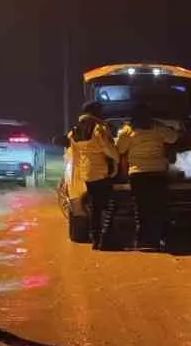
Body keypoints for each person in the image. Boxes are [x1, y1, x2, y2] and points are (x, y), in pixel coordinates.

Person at [114, 103, 178, 250]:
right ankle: (162, 239)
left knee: (141, 209)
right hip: (157, 173)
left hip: (138, 175)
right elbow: (173, 138)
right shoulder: (158, 128)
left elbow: (120, 149)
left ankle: (143, 241)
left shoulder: (127, 131)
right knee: (159, 208)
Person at [68, 100, 119, 249]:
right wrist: (116, 158)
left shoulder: (75, 130)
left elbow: (75, 155)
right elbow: (107, 148)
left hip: (87, 172)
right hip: (100, 172)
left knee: (94, 207)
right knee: (104, 206)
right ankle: (103, 240)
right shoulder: (98, 128)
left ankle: (95, 238)